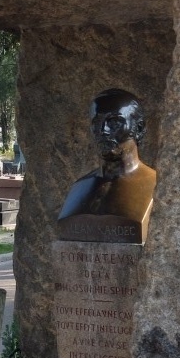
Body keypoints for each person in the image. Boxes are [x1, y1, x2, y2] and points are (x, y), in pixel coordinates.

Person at [57, 88, 157, 244]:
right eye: (97, 123)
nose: (103, 131)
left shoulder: (156, 187)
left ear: (138, 129)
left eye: (114, 122)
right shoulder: (79, 188)